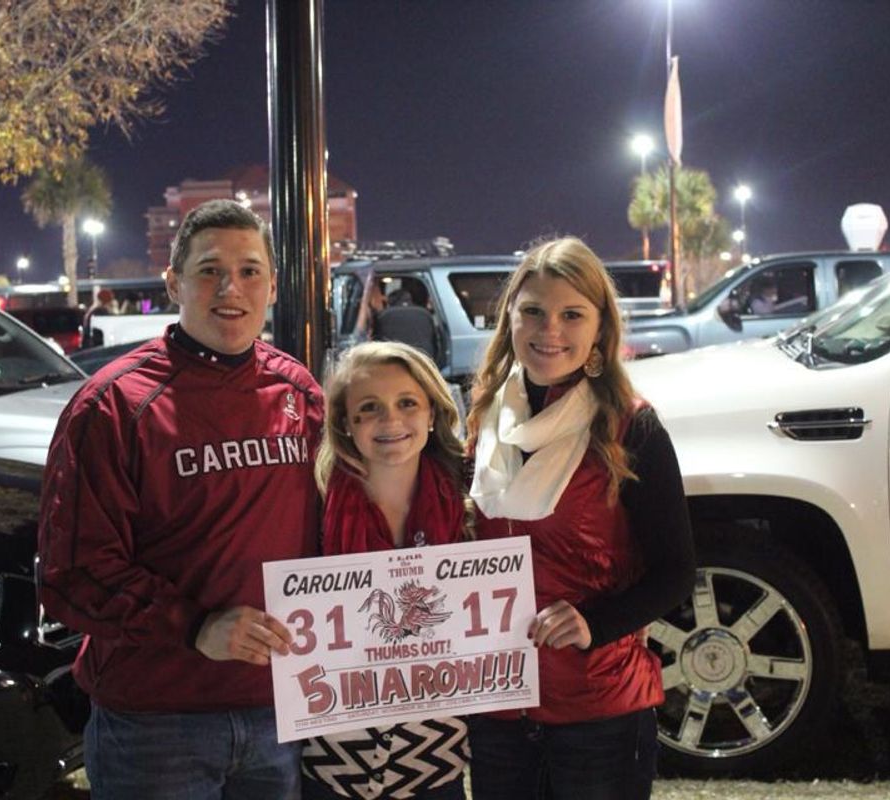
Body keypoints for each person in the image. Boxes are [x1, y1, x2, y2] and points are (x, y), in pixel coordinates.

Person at [37, 199, 324, 800]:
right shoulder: (113, 406)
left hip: (280, 708)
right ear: (174, 282)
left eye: (249, 271)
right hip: (157, 721)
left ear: (272, 285)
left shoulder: (298, 390)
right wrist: (195, 626)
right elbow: (74, 573)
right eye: (209, 269)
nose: (231, 288)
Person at [464, 236, 695, 800]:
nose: (550, 332)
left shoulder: (630, 427)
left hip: (600, 709)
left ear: (599, 329)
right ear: (509, 320)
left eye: (572, 315)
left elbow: (675, 571)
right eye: (534, 312)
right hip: (498, 707)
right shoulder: (483, 418)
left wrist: (596, 623)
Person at [302, 341, 470, 800]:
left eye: (407, 403)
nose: (391, 421)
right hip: (333, 755)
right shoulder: (308, 506)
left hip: (435, 752)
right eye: (369, 408)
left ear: (433, 413)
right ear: (345, 424)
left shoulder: (470, 503)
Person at [373, 288, 440, 360]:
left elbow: (377, 341)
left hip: (394, 359)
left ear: (390, 302)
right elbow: (434, 341)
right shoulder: (425, 313)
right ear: (410, 299)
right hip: (424, 358)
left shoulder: (384, 315)